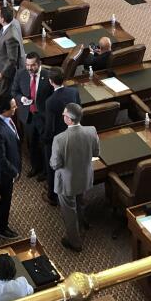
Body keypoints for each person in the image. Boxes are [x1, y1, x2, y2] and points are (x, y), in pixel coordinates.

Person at [51, 102, 100, 252]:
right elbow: (96, 153)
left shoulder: (59, 139)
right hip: (84, 177)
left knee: (69, 211)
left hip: (66, 182)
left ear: (69, 119)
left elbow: (55, 164)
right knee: (80, 201)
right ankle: (83, 222)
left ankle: (75, 241)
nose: (62, 116)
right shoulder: (91, 131)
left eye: (64, 114)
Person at [0, 93, 21, 239]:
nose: (16, 108)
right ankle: (1, 227)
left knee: (2, 199)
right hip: (3, 173)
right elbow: (0, 159)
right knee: (4, 200)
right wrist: (14, 172)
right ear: (4, 111)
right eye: (13, 107)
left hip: (6, 166)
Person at [41, 74, 79, 206]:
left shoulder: (50, 101)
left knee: (52, 167)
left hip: (56, 140)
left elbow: (50, 127)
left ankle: (52, 195)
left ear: (51, 82)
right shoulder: (74, 92)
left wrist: (45, 139)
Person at [13, 52, 53, 178]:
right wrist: (21, 99)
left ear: (39, 64)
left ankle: (46, 171)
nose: (29, 68)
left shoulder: (48, 75)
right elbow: (14, 91)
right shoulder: (21, 73)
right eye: (27, 65)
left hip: (43, 117)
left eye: (33, 65)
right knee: (31, 143)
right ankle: (35, 167)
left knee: (45, 145)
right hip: (28, 115)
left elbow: (53, 96)